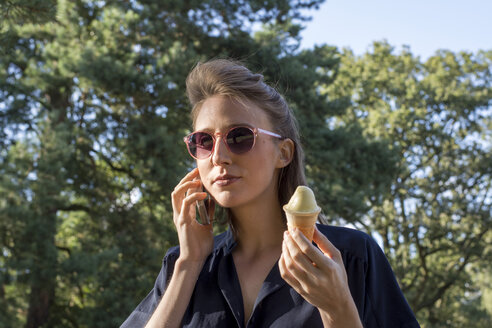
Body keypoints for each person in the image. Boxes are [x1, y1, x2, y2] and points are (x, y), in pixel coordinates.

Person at [121, 59, 420, 328]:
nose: (218, 156)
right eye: (204, 141)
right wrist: (189, 264)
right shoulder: (182, 264)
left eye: (239, 136)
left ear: (284, 152)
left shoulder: (352, 258)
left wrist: (339, 308)